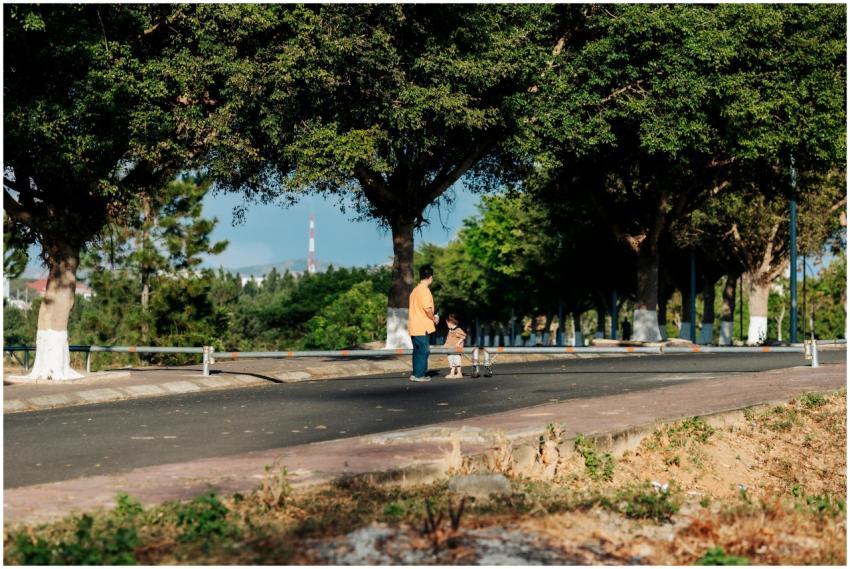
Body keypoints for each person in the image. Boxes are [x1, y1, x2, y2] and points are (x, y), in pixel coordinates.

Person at [408, 264, 439, 382]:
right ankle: (420, 375)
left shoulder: (415, 291)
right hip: (422, 326)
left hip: (414, 325)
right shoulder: (425, 291)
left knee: (417, 350)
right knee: (424, 350)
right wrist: (434, 318)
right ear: (430, 277)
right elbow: (427, 309)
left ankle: (415, 373)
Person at [443, 314, 467, 378]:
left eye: (447, 323)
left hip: (456, 348)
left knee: (456, 360)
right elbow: (448, 339)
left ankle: (459, 373)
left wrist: (458, 343)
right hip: (450, 348)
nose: (447, 325)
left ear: (450, 322)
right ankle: (452, 373)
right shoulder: (450, 330)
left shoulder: (458, 329)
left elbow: (463, 336)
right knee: (451, 360)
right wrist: (445, 345)